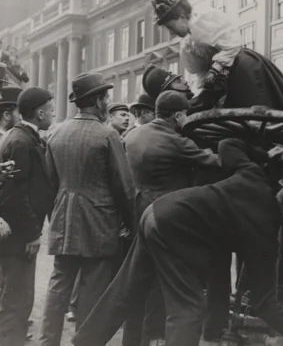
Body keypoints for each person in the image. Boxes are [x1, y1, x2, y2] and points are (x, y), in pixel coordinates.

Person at [73, 138, 283, 346]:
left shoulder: (254, 175)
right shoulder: (264, 233)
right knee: (189, 309)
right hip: (173, 229)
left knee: (126, 289)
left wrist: (266, 155)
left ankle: (84, 342)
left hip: (156, 211)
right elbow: (264, 302)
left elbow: (229, 144)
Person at [40, 73, 136, 346]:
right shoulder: (107, 135)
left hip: (64, 221)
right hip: (99, 223)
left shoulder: (56, 132)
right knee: (93, 287)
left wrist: (57, 213)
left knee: (59, 285)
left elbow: (51, 182)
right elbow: (124, 187)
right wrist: (131, 222)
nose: (107, 101)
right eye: (105, 97)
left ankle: (48, 341)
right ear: (97, 101)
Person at [122, 90, 219, 346]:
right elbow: (213, 161)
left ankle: (135, 339)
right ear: (177, 115)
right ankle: (157, 336)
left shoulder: (132, 135)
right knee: (166, 280)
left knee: (140, 278)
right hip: (166, 218)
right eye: (185, 114)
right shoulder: (177, 142)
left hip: (139, 211)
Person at [151, 0, 283, 113]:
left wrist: (217, 68)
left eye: (171, 27)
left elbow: (231, 43)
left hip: (242, 67)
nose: (171, 33)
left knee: (256, 105)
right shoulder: (188, 42)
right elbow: (201, 70)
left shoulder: (202, 22)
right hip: (224, 76)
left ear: (182, 17)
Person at [0, 87, 55, 346]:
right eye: (51, 109)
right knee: (17, 300)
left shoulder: (23, 138)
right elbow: (13, 195)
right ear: (40, 112)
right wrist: (32, 234)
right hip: (20, 237)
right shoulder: (21, 141)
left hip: (19, 233)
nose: (53, 114)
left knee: (18, 298)